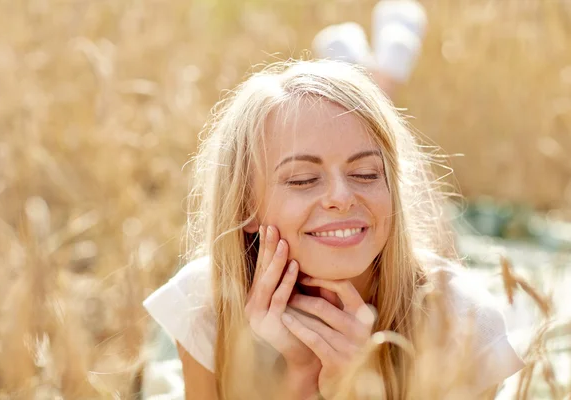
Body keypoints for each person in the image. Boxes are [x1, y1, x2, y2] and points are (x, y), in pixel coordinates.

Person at [143, 59, 524, 399]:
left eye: (365, 173)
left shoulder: (463, 324)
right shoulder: (205, 303)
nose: (341, 197)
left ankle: (378, 75)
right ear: (246, 207)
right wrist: (300, 378)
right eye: (303, 179)